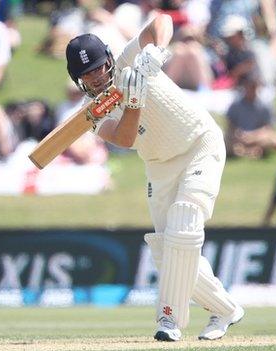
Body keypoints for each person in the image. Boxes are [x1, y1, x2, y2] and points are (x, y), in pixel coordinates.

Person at [64, 13, 243, 342]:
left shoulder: (129, 58)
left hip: (198, 144)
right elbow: (126, 139)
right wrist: (133, 100)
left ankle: (170, 319)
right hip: (159, 166)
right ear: (79, 80)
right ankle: (225, 308)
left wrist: (154, 51)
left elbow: (161, 20)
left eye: (100, 67)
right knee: (167, 251)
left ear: (108, 59)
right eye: (87, 74)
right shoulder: (94, 113)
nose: (97, 76)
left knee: (185, 221)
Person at [225, 72, 276, 159]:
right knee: (225, 139)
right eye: (249, 86)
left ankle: (247, 151)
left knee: (274, 139)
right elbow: (230, 125)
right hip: (240, 137)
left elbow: (269, 127)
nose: (251, 89)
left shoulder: (265, 105)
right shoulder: (236, 105)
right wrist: (239, 134)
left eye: (253, 86)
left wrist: (253, 136)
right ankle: (253, 151)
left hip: (258, 136)